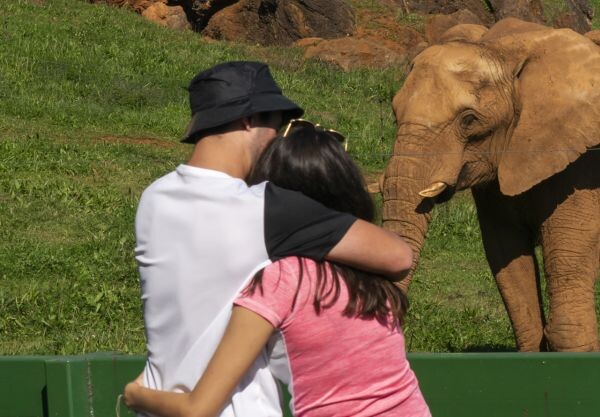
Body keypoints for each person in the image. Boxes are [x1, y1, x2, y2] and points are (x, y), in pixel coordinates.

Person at [132, 61, 414, 417]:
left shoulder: (153, 200)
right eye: (276, 125)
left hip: (159, 405)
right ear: (249, 119)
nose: (277, 140)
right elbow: (397, 256)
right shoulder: (269, 209)